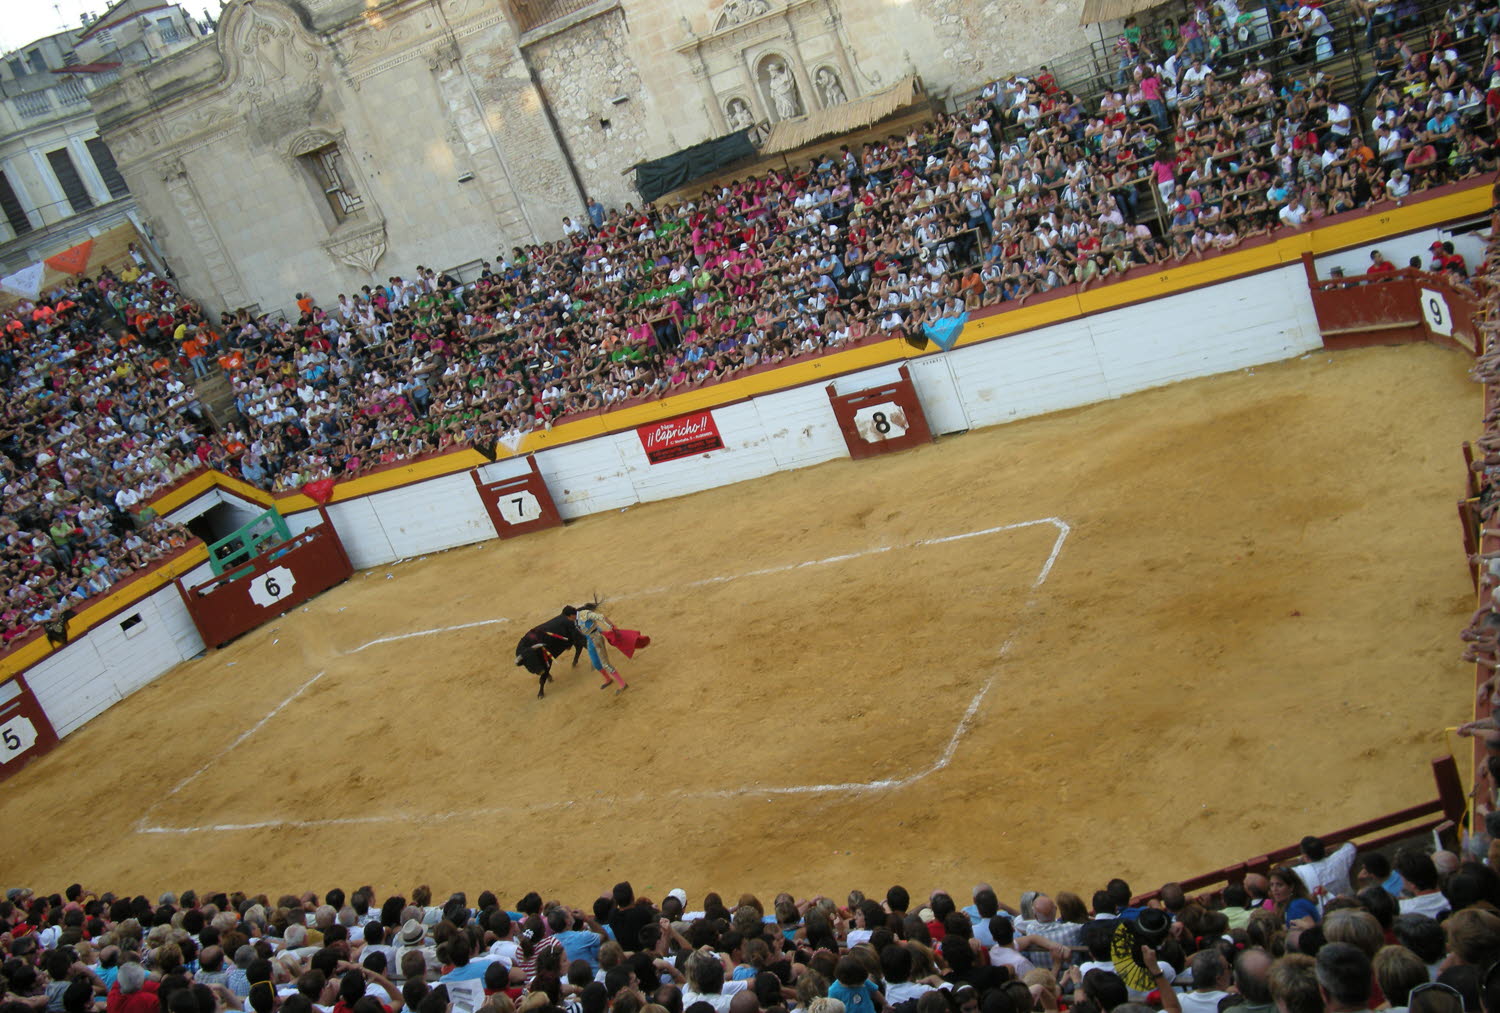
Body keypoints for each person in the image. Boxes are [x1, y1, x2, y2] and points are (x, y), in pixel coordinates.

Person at [516, 609, 585, 698]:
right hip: (544, 639)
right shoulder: (523, 654)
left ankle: (542, 687)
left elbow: (546, 661)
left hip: (550, 635)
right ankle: (548, 675)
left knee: (546, 662)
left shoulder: (534, 649)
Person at [574, 602, 629, 692]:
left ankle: (622, 684)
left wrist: (612, 626)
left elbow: (601, 617)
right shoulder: (575, 619)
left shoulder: (584, 614)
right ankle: (608, 679)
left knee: (605, 664)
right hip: (590, 640)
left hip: (596, 638)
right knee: (596, 663)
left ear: (570, 615)